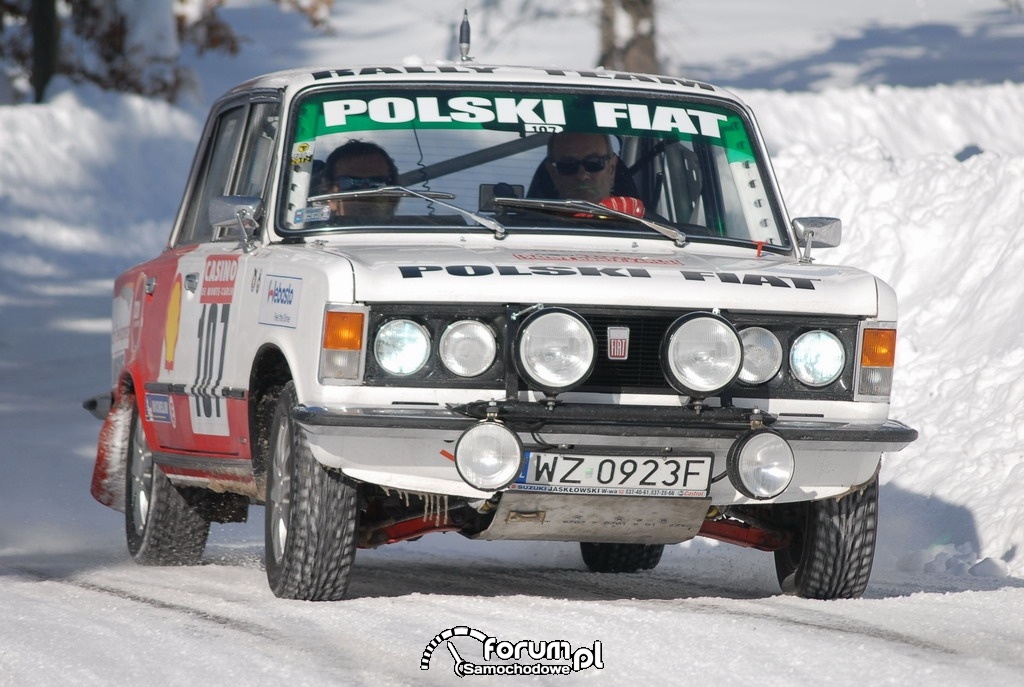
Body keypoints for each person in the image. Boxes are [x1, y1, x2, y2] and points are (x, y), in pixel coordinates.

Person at [543, 132, 645, 217]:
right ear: (553, 174)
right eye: (568, 165)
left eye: (593, 163)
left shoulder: (647, 230)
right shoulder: (533, 230)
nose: (582, 176)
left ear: (612, 169)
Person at [320, 139, 399, 220]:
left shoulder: (410, 230)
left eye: (377, 183)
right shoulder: (311, 231)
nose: (365, 196)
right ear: (330, 198)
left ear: (393, 197)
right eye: (351, 184)